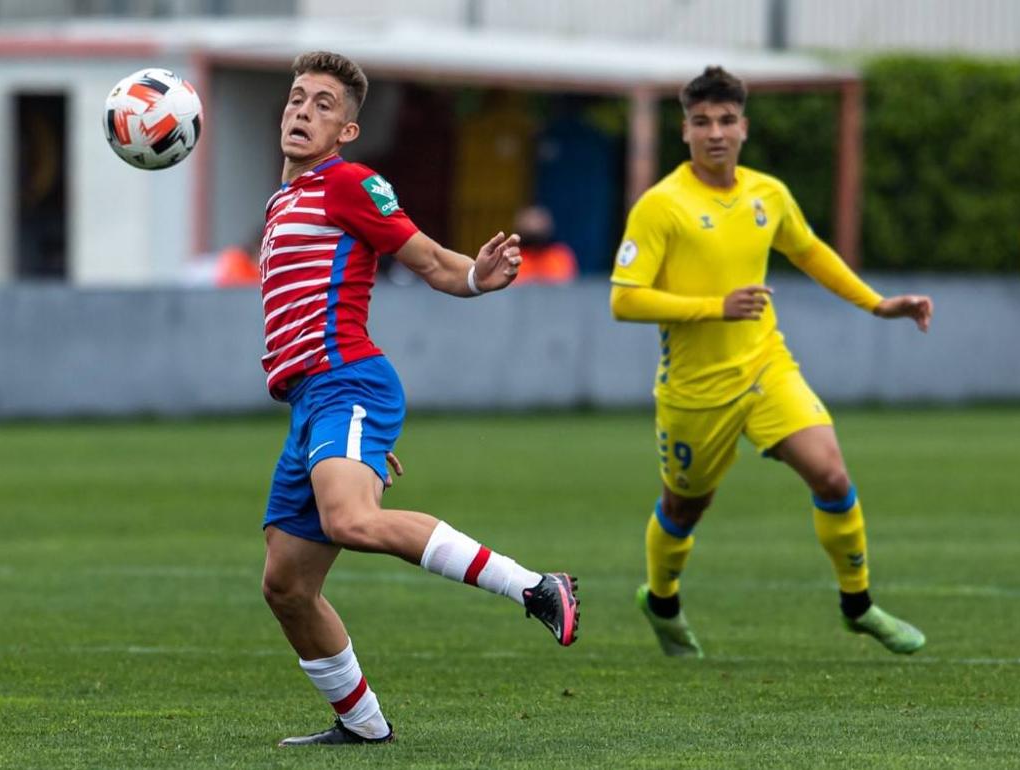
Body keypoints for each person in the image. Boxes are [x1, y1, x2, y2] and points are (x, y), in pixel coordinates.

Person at [259, 51, 580, 747]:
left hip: (348, 382)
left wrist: (476, 277)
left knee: (350, 521)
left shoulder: (349, 182)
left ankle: (535, 586)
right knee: (286, 585)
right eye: (296, 98)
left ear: (347, 130)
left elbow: (431, 262)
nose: (302, 111)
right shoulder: (283, 200)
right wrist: (351, 440)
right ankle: (362, 726)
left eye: (322, 104)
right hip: (317, 404)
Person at [610, 66, 932, 659]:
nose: (715, 133)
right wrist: (715, 306)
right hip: (695, 391)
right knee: (685, 506)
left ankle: (858, 606)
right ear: (684, 131)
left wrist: (878, 303)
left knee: (832, 475)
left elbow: (810, 252)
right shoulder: (662, 206)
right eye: (702, 122)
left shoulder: (768, 194)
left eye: (726, 121)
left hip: (765, 366)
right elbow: (623, 298)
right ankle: (661, 600)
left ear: (744, 127)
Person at [511, 205, 578, 285]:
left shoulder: (560, 256)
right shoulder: (511, 257)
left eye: (538, 222)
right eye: (529, 223)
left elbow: (566, 284)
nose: (533, 228)